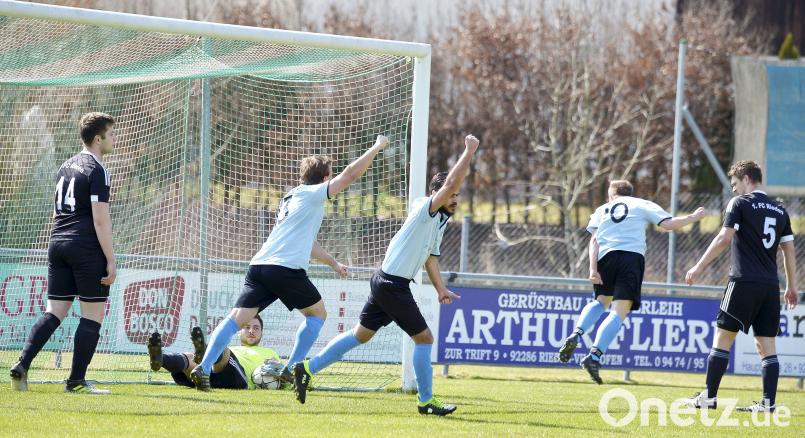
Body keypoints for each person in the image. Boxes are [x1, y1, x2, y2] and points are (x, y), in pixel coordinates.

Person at [293, 134, 480, 416]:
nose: (455, 198)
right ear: (437, 195)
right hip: (392, 284)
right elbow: (452, 181)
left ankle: (307, 368)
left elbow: (431, 257)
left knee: (360, 335)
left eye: (456, 196)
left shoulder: (439, 220)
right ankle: (426, 401)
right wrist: (468, 152)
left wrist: (440, 288)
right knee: (425, 339)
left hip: (388, 281)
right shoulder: (425, 209)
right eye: (451, 194)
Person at [190, 135, 390, 391]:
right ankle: (293, 367)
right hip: (284, 269)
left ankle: (204, 367)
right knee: (317, 315)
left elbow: (308, 244)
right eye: (330, 175)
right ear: (325, 178)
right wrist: (376, 147)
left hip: (260, 266)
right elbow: (350, 175)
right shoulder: (314, 194)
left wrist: (333, 264)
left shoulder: (292, 196)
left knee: (235, 319)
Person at [9, 112, 118, 394]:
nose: (114, 139)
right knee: (92, 315)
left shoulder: (65, 166)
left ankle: (22, 363)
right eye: (111, 134)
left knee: (55, 311)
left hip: (57, 243)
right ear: (98, 139)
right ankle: (76, 382)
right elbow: (100, 220)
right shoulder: (97, 169)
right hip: (85, 247)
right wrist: (110, 259)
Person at [557, 180, 705, 384]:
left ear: (612, 194)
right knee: (618, 312)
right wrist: (693, 217)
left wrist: (592, 269)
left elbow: (594, 240)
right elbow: (668, 225)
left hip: (605, 258)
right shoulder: (641, 204)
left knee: (601, 301)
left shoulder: (602, 209)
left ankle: (576, 333)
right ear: (629, 192)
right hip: (631, 258)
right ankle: (594, 356)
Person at [683, 160, 798, 412]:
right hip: (770, 287)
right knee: (766, 345)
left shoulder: (740, 203)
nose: (733, 189)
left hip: (743, 281)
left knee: (722, 338)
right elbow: (789, 250)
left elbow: (724, 238)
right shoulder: (780, 210)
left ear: (746, 179)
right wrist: (791, 286)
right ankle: (768, 404)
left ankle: (709, 398)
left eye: (735, 184)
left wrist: (698, 267)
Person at [148, 315, 281, 390]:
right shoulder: (235, 348)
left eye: (256, 328)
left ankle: (205, 353)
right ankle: (160, 360)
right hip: (208, 377)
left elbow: (283, 376)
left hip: (239, 380)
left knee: (221, 348)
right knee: (191, 359)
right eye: (247, 327)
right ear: (239, 331)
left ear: (262, 333)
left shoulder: (270, 352)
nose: (251, 331)